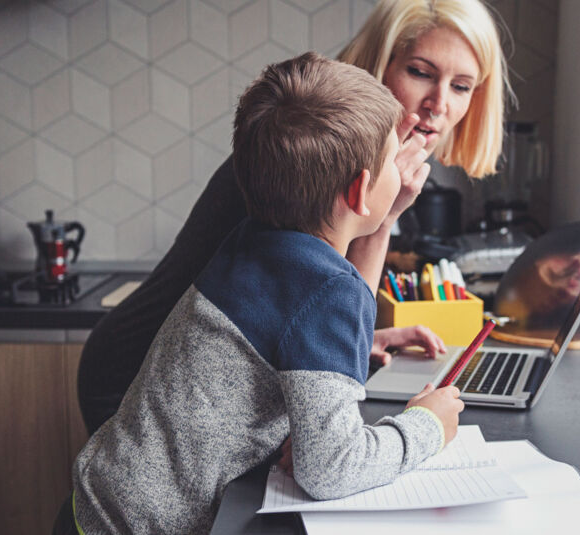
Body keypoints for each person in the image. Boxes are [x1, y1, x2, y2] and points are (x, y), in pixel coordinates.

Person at [66, 53, 465, 535]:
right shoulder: (329, 290)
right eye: (390, 159)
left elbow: (278, 345)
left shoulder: (252, 239)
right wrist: (426, 426)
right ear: (361, 191)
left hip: (93, 503)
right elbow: (330, 469)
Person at [77, 0, 509, 434]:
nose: (438, 104)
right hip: (138, 379)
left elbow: (288, 311)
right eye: (421, 73)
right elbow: (323, 295)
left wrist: (349, 346)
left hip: (196, 387)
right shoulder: (306, 164)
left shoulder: (374, 172)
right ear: (381, 63)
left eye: (462, 87)